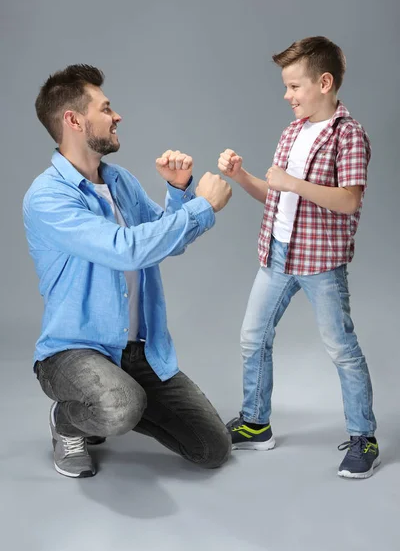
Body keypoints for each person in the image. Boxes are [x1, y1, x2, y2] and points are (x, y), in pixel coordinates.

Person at [23, 64, 232, 478]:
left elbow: (168, 244)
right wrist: (202, 206)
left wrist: (177, 191)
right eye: (106, 108)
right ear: (74, 120)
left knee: (211, 448)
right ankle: (69, 420)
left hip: (137, 350)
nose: (116, 116)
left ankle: (107, 402)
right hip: (73, 350)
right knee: (120, 406)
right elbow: (126, 250)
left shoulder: (121, 182)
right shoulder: (46, 197)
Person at [218, 36, 379, 479]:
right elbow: (275, 193)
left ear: (324, 83)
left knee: (341, 349)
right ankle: (256, 423)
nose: (286, 96)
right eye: (286, 87)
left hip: (321, 261)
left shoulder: (348, 134)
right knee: (253, 337)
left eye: (294, 86)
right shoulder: (293, 131)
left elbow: (348, 201)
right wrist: (241, 176)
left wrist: (292, 183)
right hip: (277, 254)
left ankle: (364, 436)